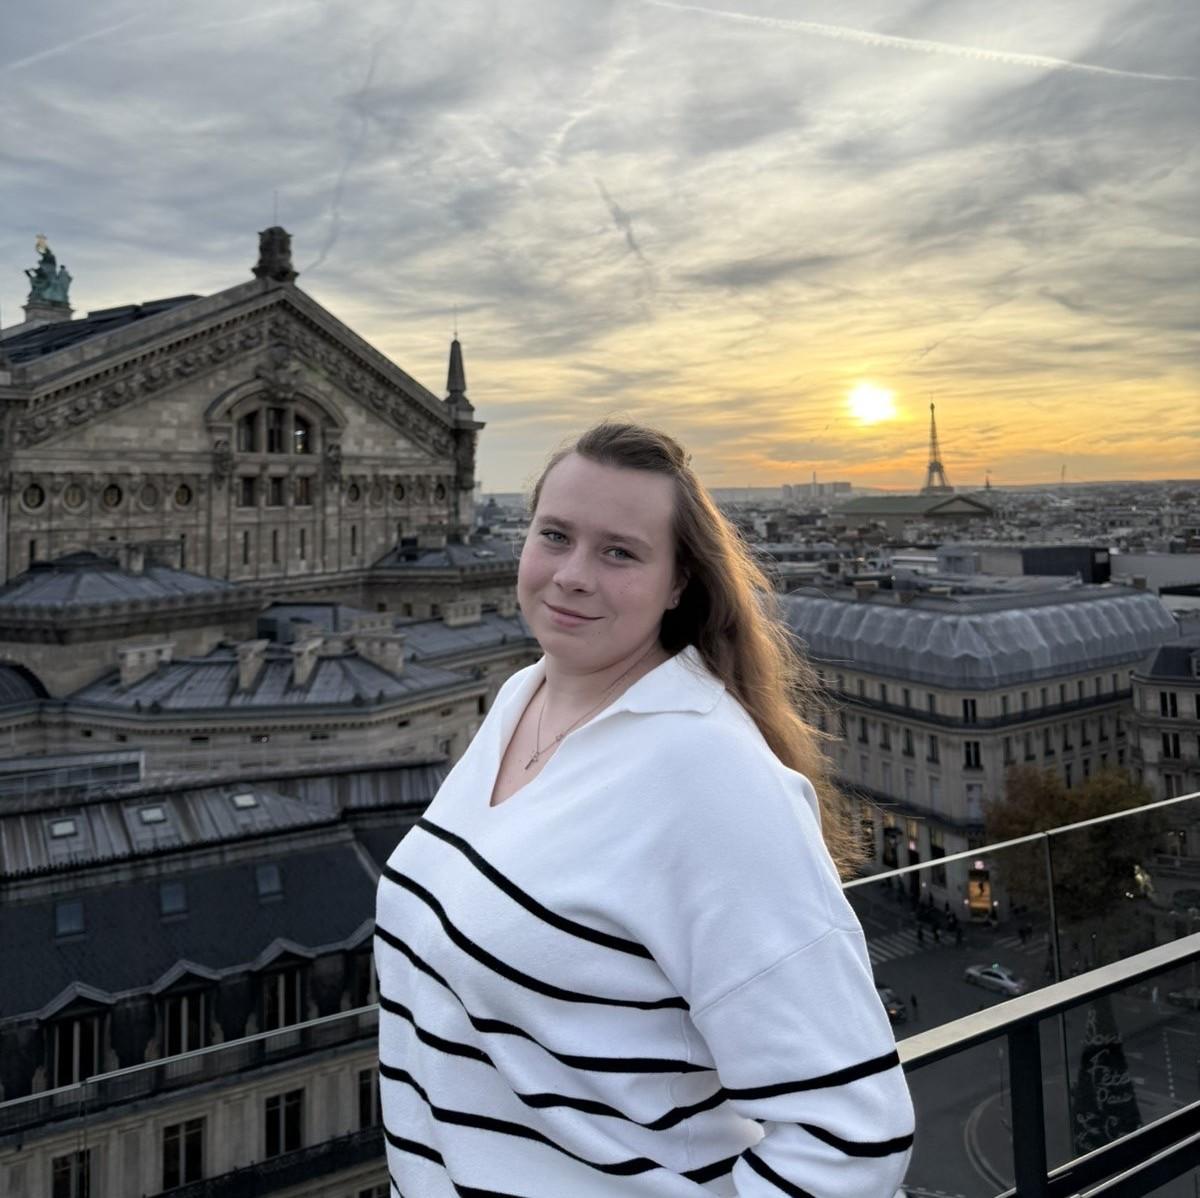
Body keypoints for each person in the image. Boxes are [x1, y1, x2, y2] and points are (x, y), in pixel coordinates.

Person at [375, 422, 915, 1197]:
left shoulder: (709, 772)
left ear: (678, 584)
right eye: (555, 535)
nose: (572, 575)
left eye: (619, 553)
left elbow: (854, 1134)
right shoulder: (522, 698)